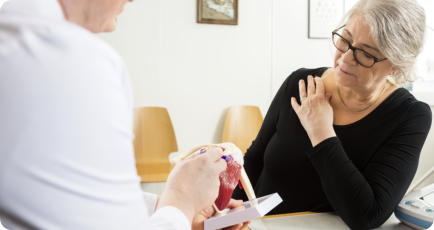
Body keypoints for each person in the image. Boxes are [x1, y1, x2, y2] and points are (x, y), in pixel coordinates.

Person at [0, 0, 248, 229]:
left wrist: (177, 212)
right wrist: (181, 198)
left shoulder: (16, 41)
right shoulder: (66, 58)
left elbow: (63, 196)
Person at [232, 0, 432, 229]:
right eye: (345, 40)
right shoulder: (299, 83)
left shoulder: (409, 116)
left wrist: (322, 133)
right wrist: (232, 214)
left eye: (366, 54)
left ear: (397, 64)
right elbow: (255, 159)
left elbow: (367, 215)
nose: (345, 58)